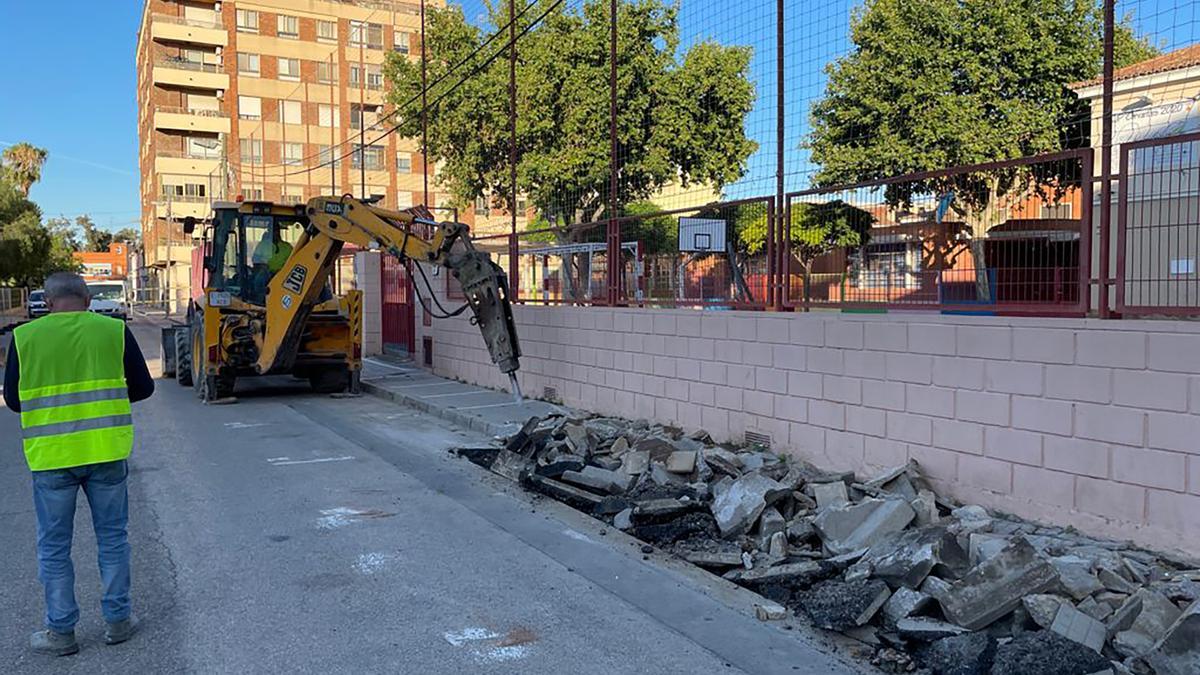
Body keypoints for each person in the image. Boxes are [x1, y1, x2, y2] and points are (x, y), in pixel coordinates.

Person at [3, 272, 155, 656]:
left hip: (53, 458)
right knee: (113, 539)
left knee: (54, 547)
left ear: (48, 303)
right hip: (105, 452)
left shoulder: (25, 338)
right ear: (88, 301)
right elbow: (143, 387)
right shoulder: (113, 331)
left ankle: (61, 632)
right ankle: (118, 621)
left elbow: (15, 400)